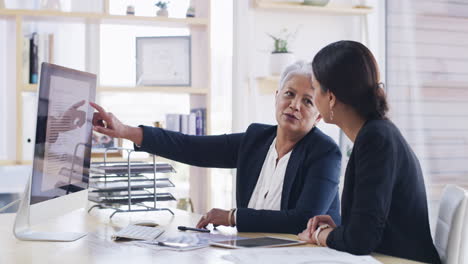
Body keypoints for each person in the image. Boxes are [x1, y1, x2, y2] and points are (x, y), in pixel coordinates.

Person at [90, 61, 342, 234]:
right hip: (252, 252)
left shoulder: (325, 153)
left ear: (318, 115)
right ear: (276, 96)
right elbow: (190, 148)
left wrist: (233, 217)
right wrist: (124, 131)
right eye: (289, 94)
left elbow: (302, 220)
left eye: (307, 101)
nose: (294, 105)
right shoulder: (256, 139)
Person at [297, 41, 441, 263]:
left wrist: (320, 235)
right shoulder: (374, 133)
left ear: (331, 97)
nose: (313, 96)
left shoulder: (376, 139)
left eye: (314, 88)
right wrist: (338, 231)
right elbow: (366, 228)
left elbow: (361, 241)